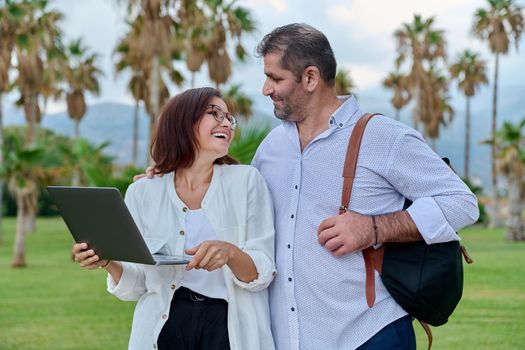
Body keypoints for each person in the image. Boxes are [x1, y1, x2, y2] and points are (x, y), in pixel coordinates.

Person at [250, 23, 479, 350]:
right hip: (288, 339)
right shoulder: (270, 147)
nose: (266, 89)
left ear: (311, 78)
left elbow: (462, 203)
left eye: (275, 78)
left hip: (370, 334)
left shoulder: (383, 137)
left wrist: (374, 227)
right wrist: (168, 174)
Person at [72, 87, 276, 350]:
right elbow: (139, 284)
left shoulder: (247, 181)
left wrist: (231, 253)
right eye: (214, 113)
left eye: (229, 117)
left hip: (228, 325)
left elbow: (261, 274)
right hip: (163, 325)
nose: (226, 123)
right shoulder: (143, 191)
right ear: (182, 121)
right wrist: (108, 261)